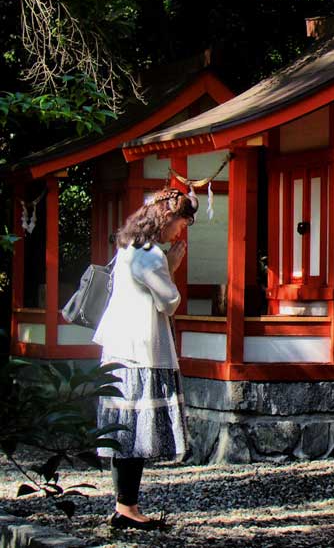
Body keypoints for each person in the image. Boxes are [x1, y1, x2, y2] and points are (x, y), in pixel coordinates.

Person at [93, 187, 197, 530]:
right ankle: (127, 508)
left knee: (123, 433)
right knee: (133, 435)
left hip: (118, 347)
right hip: (140, 350)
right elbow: (169, 301)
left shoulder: (128, 249)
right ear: (166, 219)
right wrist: (173, 266)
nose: (179, 232)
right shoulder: (151, 255)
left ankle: (125, 505)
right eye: (180, 223)